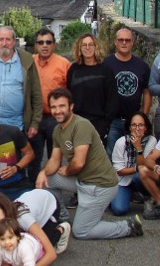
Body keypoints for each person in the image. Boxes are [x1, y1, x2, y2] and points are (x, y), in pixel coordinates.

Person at [36, 88, 143, 240]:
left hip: (100, 186)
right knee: (47, 180)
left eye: (61, 106)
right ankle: (61, 216)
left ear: (71, 106)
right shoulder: (57, 131)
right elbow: (54, 160)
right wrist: (42, 172)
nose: (57, 111)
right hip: (82, 181)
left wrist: (67, 171)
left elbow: (79, 163)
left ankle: (128, 226)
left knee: (81, 232)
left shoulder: (81, 125)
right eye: (53, 107)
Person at [0, 25, 43, 142]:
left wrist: (35, 123)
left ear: (14, 42)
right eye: (1, 39)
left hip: (17, 125)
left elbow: (36, 95)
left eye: (8, 39)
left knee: (17, 158)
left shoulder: (26, 61)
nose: (4, 43)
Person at [0, 190, 67, 266]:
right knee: (14, 250)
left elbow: (51, 254)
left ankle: (61, 229)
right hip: (32, 204)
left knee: (39, 251)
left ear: (4, 210)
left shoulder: (23, 219)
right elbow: (0, 249)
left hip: (49, 204)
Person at [104, 28, 152, 157]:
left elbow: (147, 93)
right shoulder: (105, 64)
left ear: (132, 42)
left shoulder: (142, 66)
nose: (124, 43)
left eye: (127, 40)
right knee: (111, 155)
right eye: (121, 40)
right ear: (115, 42)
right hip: (113, 121)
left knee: (133, 156)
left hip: (133, 122)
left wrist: (143, 117)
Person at [32, 28, 71, 184]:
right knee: (34, 157)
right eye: (41, 42)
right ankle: (34, 191)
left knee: (56, 157)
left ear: (54, 44)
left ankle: (54, 192)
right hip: (35, 118)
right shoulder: (29, 62)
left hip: (56, 119)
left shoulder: (64, 64)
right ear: (35, 45)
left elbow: (70, 93)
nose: (45, 45)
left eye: (48, 42)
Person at [66, 33, 118, 145]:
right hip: (78, 122)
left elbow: (112, 99)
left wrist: (106, 124)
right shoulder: (73, 69)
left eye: (91, 44)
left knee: (96, 160)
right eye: (84, 45)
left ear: (96, 47)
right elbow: (68, 96)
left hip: (99, 123)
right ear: (79, 48)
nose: (88, 48)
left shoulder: (106, 70)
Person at [109, 111, 156, 216]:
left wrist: (138, 148)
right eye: (134, 125)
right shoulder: (121, 142)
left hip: (140, 178)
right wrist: (136, 169)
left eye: (140, 125)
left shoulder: (151, 141)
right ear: (129, 127)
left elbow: (145, 166)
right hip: (123, 180)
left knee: (140, 174)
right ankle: (129, 195)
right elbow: (120, 171)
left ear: (146, 127)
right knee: (118, 210)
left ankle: (148, 197)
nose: (137, 128)